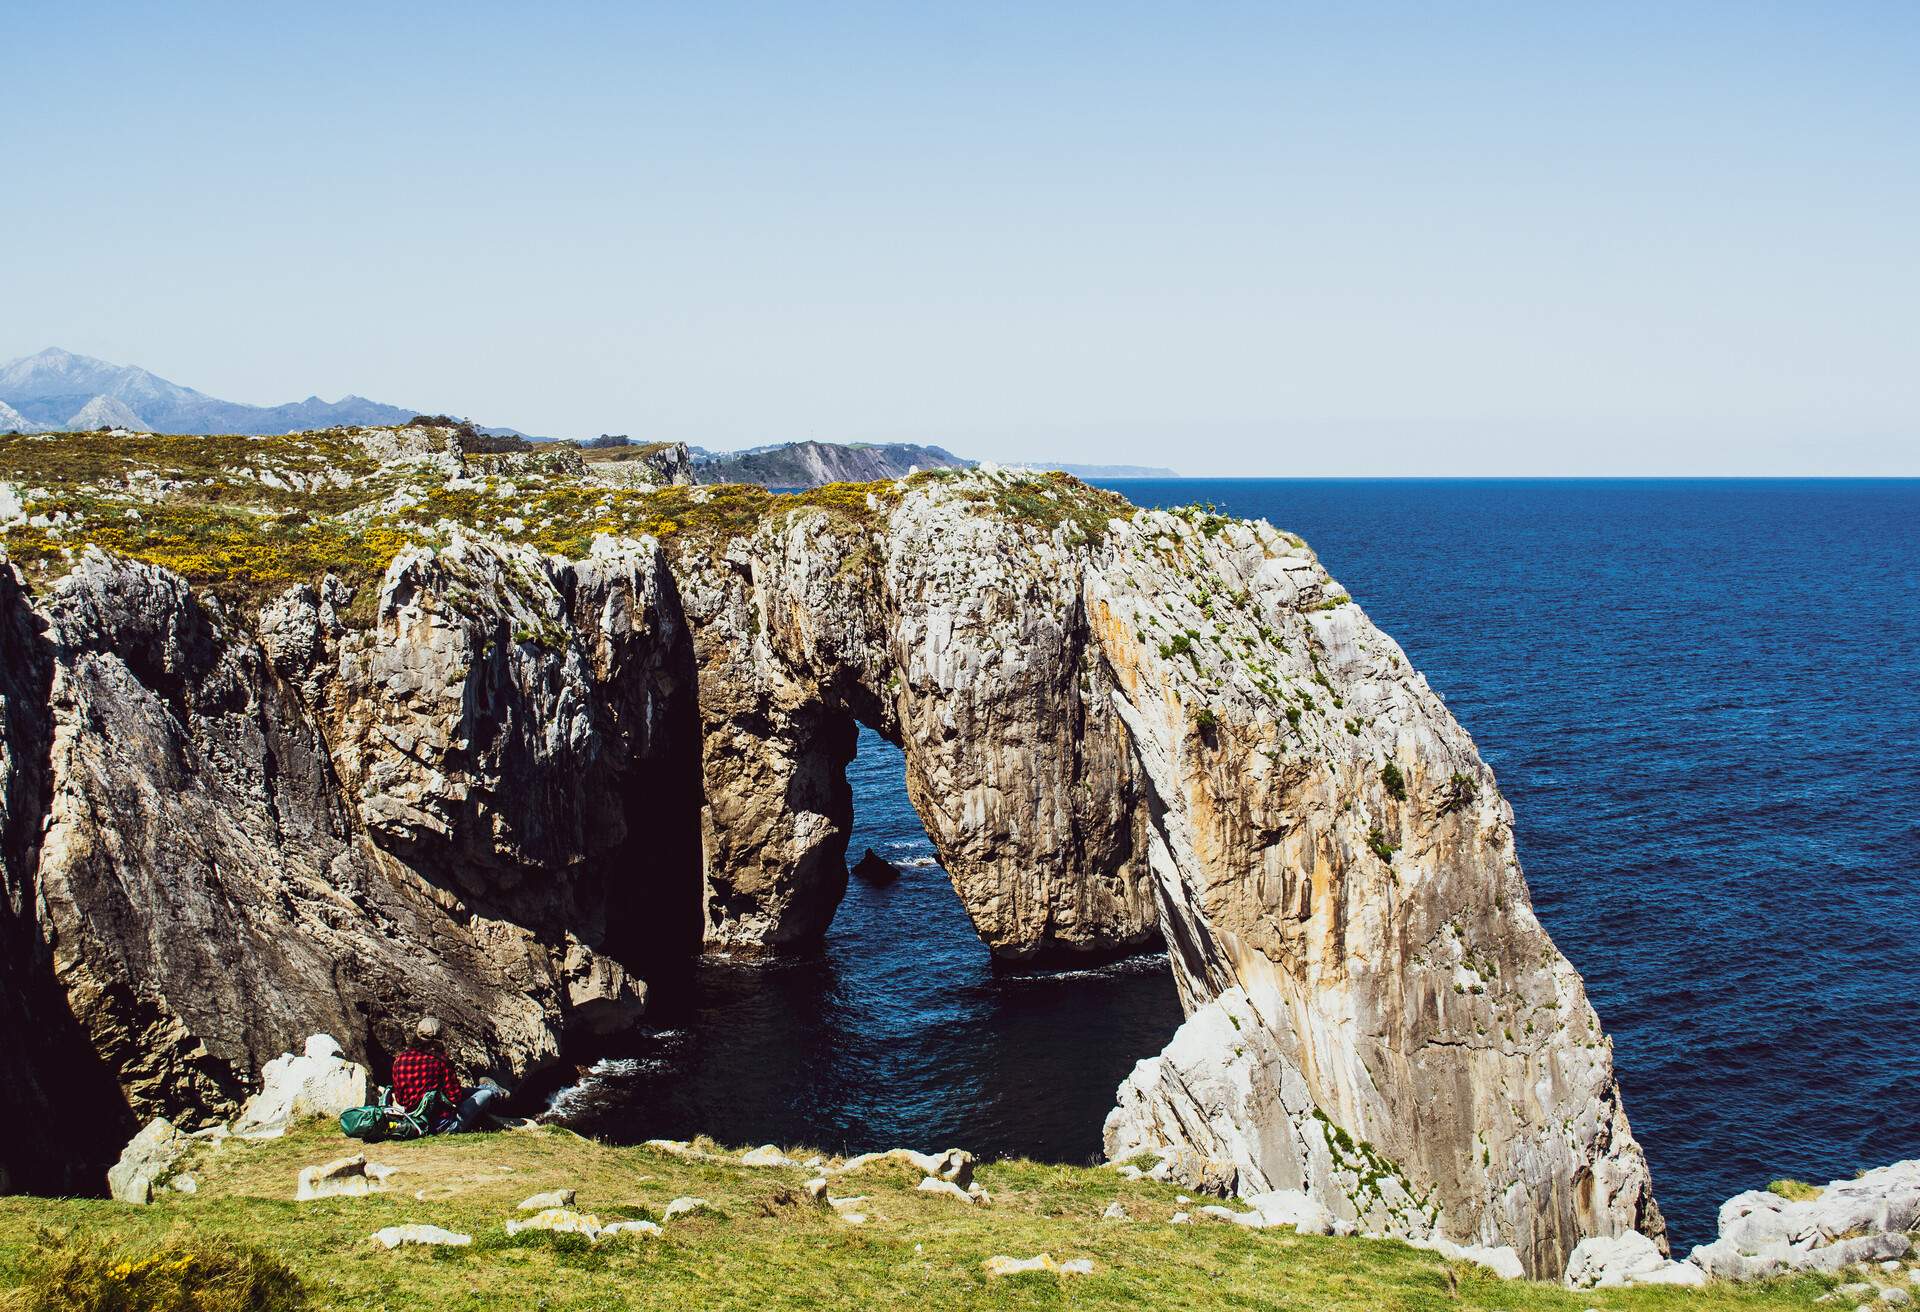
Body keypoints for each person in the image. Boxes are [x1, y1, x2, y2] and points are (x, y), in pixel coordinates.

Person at [390, 1017, 505, 1133]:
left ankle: (488, 1088)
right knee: (486, 1094)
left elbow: (400, 1099)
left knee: (468, 1091)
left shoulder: (400, 1060)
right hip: (443, 1125)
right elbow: (455, 1097)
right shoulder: (440, 1061)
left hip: (414, 1122)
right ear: (439, 1038)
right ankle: (494, 1091)